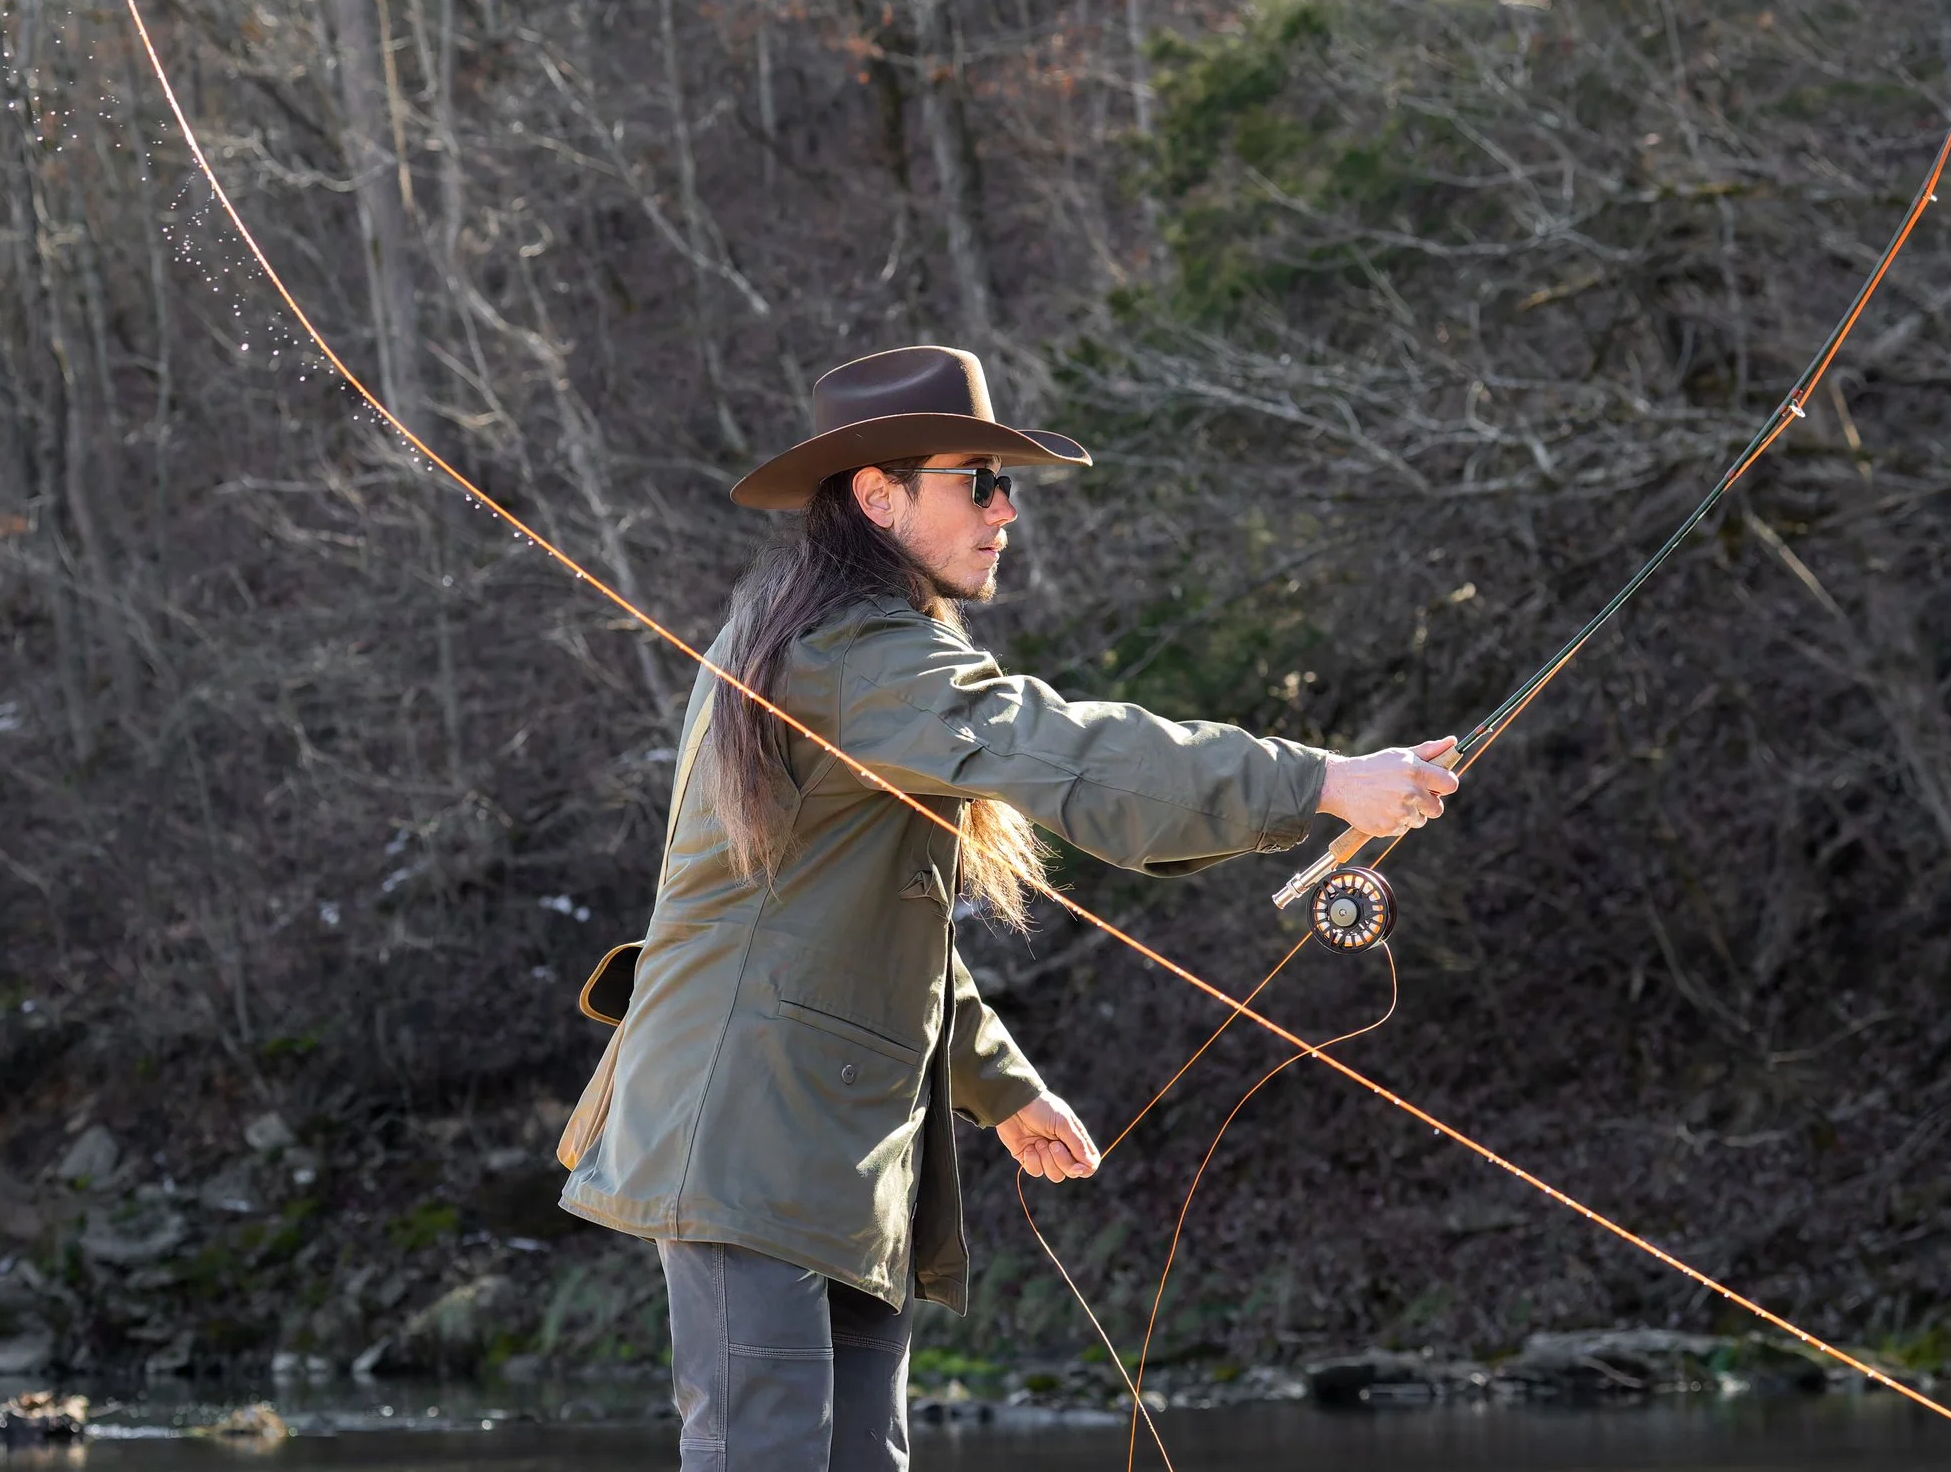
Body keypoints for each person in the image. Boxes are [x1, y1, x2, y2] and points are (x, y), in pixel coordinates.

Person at [557, 346, 1457, 1470]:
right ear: (877, 496)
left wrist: (1002, 1085)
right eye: (975, 478)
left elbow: (872, 922)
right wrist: (1317, 779)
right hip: (746, 1137)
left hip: (830, 1146)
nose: (1005, 507)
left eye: (1005, 480)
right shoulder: (847, 653)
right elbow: (1064, 746)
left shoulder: (833, 641)